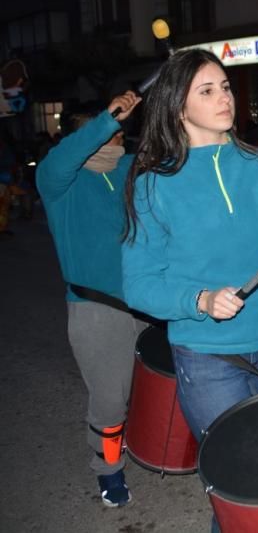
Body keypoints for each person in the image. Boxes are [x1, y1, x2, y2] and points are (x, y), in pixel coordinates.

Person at [121, 51, 258, 473]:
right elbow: (139, 284)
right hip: (209, 358)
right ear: (178, 108)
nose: (224, 98)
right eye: (207, 91)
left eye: (225, 87)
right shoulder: (153, 185)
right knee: (243, 481)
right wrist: (201, 299)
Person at [36, 92, 145, 508]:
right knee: (110, 398)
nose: (118, 133)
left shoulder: (130, 171)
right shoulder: (58, 181)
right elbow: (63, 159)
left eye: (119, 129)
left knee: (160, 386)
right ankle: (109, 470)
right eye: (107, 129)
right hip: (95, 308)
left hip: (148, 301)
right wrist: (106, 118)